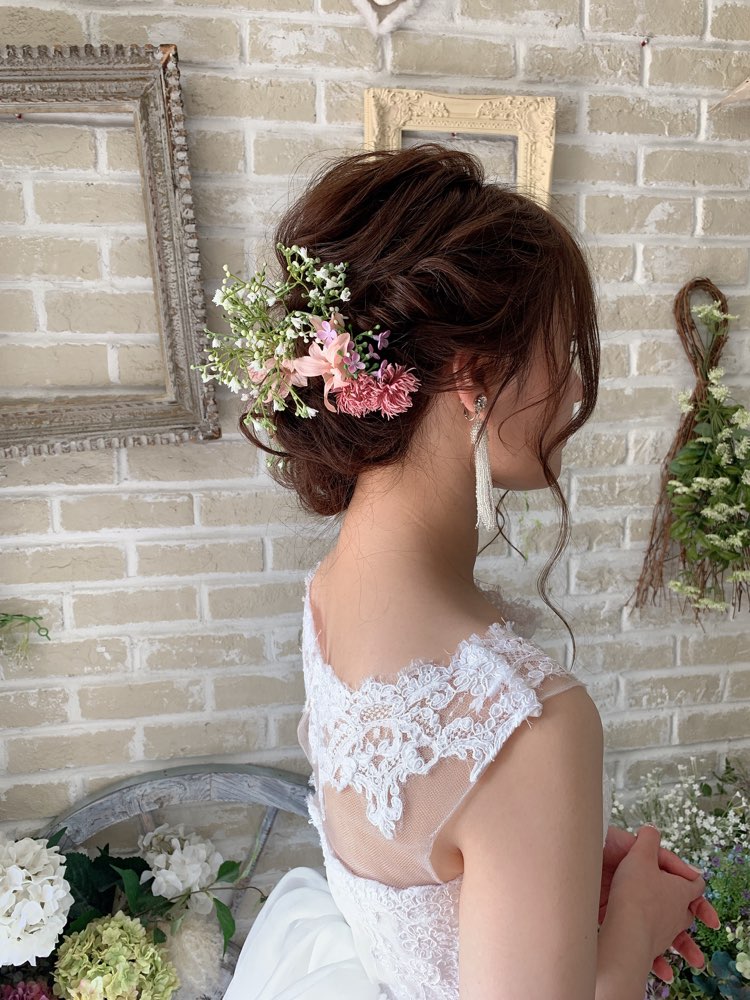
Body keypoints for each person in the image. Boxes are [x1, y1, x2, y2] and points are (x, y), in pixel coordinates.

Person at [219, 143, 720, 1000]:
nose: (574, 391)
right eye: (561, 351)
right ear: (475, 377)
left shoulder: (331, 589)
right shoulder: (526, 725)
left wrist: (538, 863)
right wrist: (636, 921)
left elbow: (415, 850)